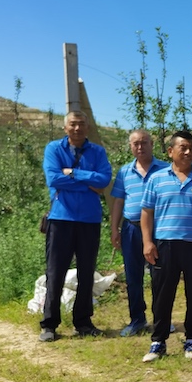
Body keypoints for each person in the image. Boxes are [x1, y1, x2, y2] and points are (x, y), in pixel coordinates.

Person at [140, 130, 192, 362]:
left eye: (191, 148)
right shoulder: (157, 178)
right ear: (170, 151)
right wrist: (147, 242)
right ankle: (158, 340)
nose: (188, 152)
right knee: (162, 294)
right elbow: (146, 212)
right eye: (183, 147)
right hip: (165, 245)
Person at [39, 111, 112, 342]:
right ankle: (49, 324)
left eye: (81, 124)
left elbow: (103, 180)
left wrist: (72, 173)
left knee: (86, 272)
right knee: (55, 272)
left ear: (87, 127)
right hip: (61, 218)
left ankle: (83, 322)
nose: (77, 128)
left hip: (89, 220)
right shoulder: (54, 149)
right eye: (73, 124)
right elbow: (53, 179)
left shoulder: (97, 152)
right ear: (65, 127)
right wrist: (88, 182)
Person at [110, 129, 168, 337]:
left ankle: (162, 319)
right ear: (130, 146)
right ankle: (137, 319)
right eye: (136, 144)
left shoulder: (165, 169)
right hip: (131, 229)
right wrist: (114, 229)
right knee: (133, 276)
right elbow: (118, 201)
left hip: (159, 228)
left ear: (152, 144)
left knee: (160, 276)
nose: (140, 147)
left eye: (144, 142)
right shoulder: (125, 172)